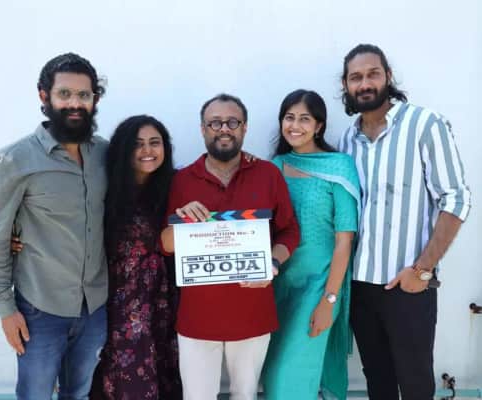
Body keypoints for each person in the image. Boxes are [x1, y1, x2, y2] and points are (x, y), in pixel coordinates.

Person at [338, 44, 471, 400]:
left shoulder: (425, 124)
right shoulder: (347, 139)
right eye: (355, 77)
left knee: (415, 383)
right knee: (377, 381)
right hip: (360, 286)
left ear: (388, 76)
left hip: (408, 284)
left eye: (373, 74)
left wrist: (422, 270)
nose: (365, 83)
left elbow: (456, 199)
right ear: (346, 85)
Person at [0, 53, 108, 399]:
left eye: (83, 95)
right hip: (40, 309)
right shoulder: (14, 161)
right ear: (44, 96)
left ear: (95, 99)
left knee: (79, 393)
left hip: (95, 307)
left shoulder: (105, 155)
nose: (75, 104)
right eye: (64, 94)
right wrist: (6, 310)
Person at [160, 93, 300, 400]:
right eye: (215, 123)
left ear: (245, 128)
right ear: (203, 129)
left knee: (245, 395)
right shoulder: (181, 180)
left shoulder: (268, 174)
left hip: (253, 311)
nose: (224, 128)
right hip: (197, 316)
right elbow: (165, 245)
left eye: (233, 122)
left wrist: (273, 263)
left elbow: (289, 231)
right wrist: (182, 223)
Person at [261, 89, 360, 400]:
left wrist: (329, 301)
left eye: (305, 119)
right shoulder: (274, 167)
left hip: (319, 286)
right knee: (273, 375)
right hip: (278, 285)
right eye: (289, 118)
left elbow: (344, 241)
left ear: (319, 126)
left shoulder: (339, 167)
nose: (295, 126)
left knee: (290, 377)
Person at [89, 115, 182, 399]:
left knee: (167, 373)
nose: (147, 150)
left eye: (155, 142)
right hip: (119, 304)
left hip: (165, 301)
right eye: (137, 144)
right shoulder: (104, 189)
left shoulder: (176, 185)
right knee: (127, 378)